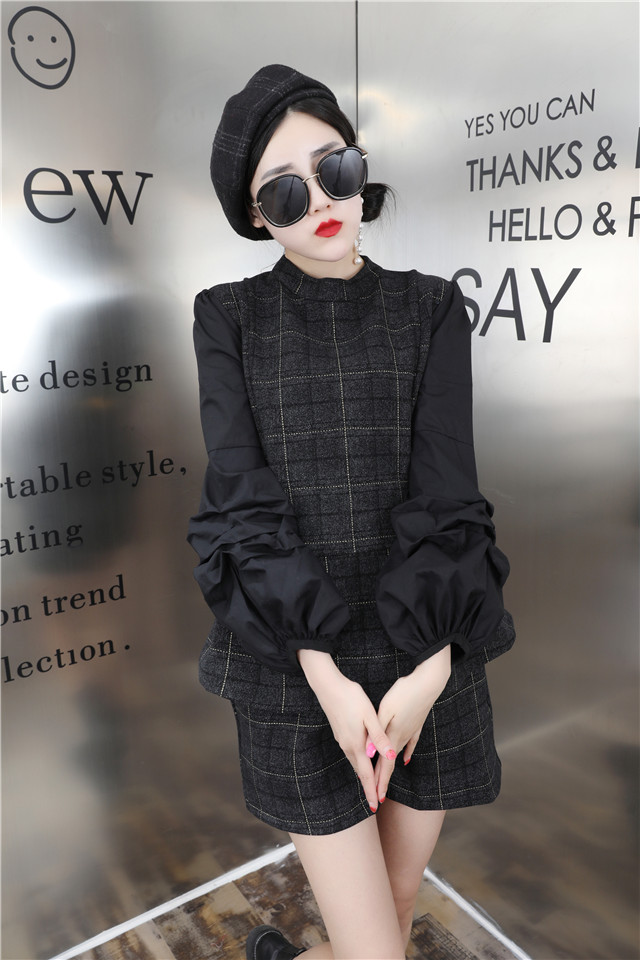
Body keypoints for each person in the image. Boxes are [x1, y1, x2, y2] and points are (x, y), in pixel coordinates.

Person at [188, 64, 515, 960]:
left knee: (396, 909)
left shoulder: (432, 306)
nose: (323, 201)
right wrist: (326, 678)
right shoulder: (228, 317)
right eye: (285, 191)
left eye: (335, 168)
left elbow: (449, 494)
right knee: (377, 947)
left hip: (424, 656)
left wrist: (431, 669)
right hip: (299, 665)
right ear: (256, 214)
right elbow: (242, 505)